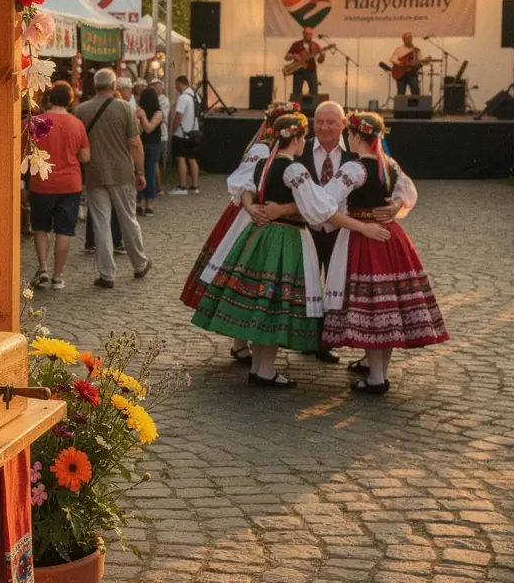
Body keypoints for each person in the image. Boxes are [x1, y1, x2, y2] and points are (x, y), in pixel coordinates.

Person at [191, 114, 391, 389]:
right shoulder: (295, 170)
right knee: (275, 305)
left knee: (264, 302)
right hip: (287, 239)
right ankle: (265, 370)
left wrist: (258, 209)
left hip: (260, 236)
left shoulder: (264, 163)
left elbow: (246, 190)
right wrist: (360, 225)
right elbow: (320, 206)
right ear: (296, 139)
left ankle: (261, 369)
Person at [321, 112, 448, 394]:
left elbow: (325, 200)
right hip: (390, 237)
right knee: (385, 307)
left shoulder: (355, 168)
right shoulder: (388, 164)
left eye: (349, 135)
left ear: (355, 136)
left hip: (364, 239)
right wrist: (396, 204)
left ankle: (377, 378)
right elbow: (408, 190)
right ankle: (379, 373)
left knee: (372, 308)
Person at [181, 101, 300, 365]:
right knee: (242, 275)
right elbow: (242, 181)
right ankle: (240, 342)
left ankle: (242, 342)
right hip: (250, 216)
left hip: (262, 213)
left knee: (248, 278)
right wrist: (251, 206)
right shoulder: (262, 148)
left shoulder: (276, 149)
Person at [75, 67, 152, 289]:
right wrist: (140, 171)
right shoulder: (125, 108)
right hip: (121, 173)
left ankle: (107, 274)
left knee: (101, 224)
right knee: (128, 219)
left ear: (95, 86)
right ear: (113, 86)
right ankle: (139, 263)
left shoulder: (81, 110)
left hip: (95, 173)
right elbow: (135, 143)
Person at [297, 100, 358, 363]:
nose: (324, 127)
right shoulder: (300, 151)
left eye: (331, 122)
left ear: (343, 124)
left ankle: (327, 341)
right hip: (305, 229)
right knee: (306, 285)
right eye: (319, 122)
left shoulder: (355, 154)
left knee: (335, 286)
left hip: (340, 231)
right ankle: (305, 338)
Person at [28, 82, 90, 290]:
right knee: (64, 231)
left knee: (41, 227)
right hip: (70, 183)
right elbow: (85, 156)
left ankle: (43, 267)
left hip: (42, 182)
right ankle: (57, 276)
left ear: (49, 98)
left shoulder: (38, 122)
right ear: (70, 101)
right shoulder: (77, 124)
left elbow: (27, 149)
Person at [169, 75, 201, 195]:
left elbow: (179, 116)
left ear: (181, 83)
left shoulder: (183, 97)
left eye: (176, 85)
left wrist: (173, 129)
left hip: (182, 133)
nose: (176, 88)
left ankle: (182, 187)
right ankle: (195, 186)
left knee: (180, 158)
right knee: (192, 158)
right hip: (194, 131)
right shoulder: (196, 96)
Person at [135, 84, 164, 214]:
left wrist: (143, 117)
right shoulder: (139, 111)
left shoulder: (158, 113)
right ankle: (140, 201)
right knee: (139, 172)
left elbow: (149, 128)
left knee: (150, 172)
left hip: (152, 144)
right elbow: (139, 130)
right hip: (141, 144)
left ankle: (150, 202)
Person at [286, 26, 326, 97]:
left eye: (311, 34)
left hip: (311, 71)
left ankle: (313, 107)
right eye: (308, 34)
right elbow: (287, 57)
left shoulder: (315, 45)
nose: (310, 36)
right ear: (303, 34)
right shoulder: (296, 44)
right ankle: (297, 107)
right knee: (296, 93)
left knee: (314, 92)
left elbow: (320, 61)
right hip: (298, 71)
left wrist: (322, 55)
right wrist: (294, 56)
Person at [153, 79, 171, 193]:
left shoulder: (164, 100)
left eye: (156, 87)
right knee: (154, 161)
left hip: (160, 133)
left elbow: (162, 116)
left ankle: (159, 187)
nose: (154, 89)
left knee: (155, 161)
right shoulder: (154, 99)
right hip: (155, 132)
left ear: (161, 88)